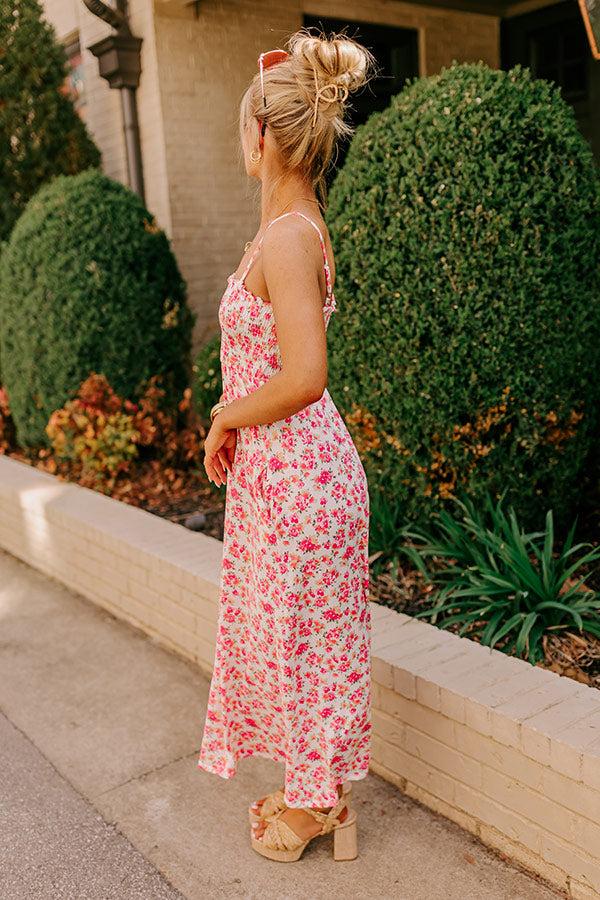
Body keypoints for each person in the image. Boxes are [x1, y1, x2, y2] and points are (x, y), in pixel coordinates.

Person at [197, 27, 376, 863]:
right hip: (281, 482)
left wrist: (226, 417)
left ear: (263, 135)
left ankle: (319, 809)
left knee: (306, 652)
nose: (241, 138)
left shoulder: (290, 236)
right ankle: (317, 792)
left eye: (244, 124)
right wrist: (234, 421)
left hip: (303, 480)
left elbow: (305, 374)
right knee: (293, 647)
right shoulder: (284, 228)